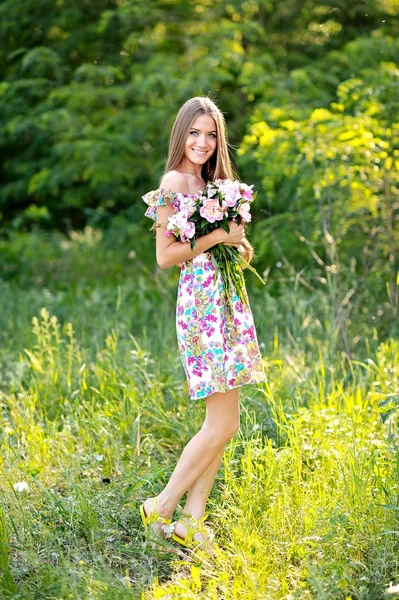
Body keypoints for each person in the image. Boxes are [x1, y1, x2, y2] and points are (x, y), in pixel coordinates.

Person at [140, 96, 267, 550]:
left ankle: (193, 521)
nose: (203, 142)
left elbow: (225, 241)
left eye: (211, 134)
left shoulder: (214, 182)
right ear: (181, 134)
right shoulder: (174, 181)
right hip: (202, 307)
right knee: (222, 425)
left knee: (225, 423)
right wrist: (218, 235)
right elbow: (165, 256)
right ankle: (163, 505)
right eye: (194, 132)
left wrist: (236, 245)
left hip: (227, 300)